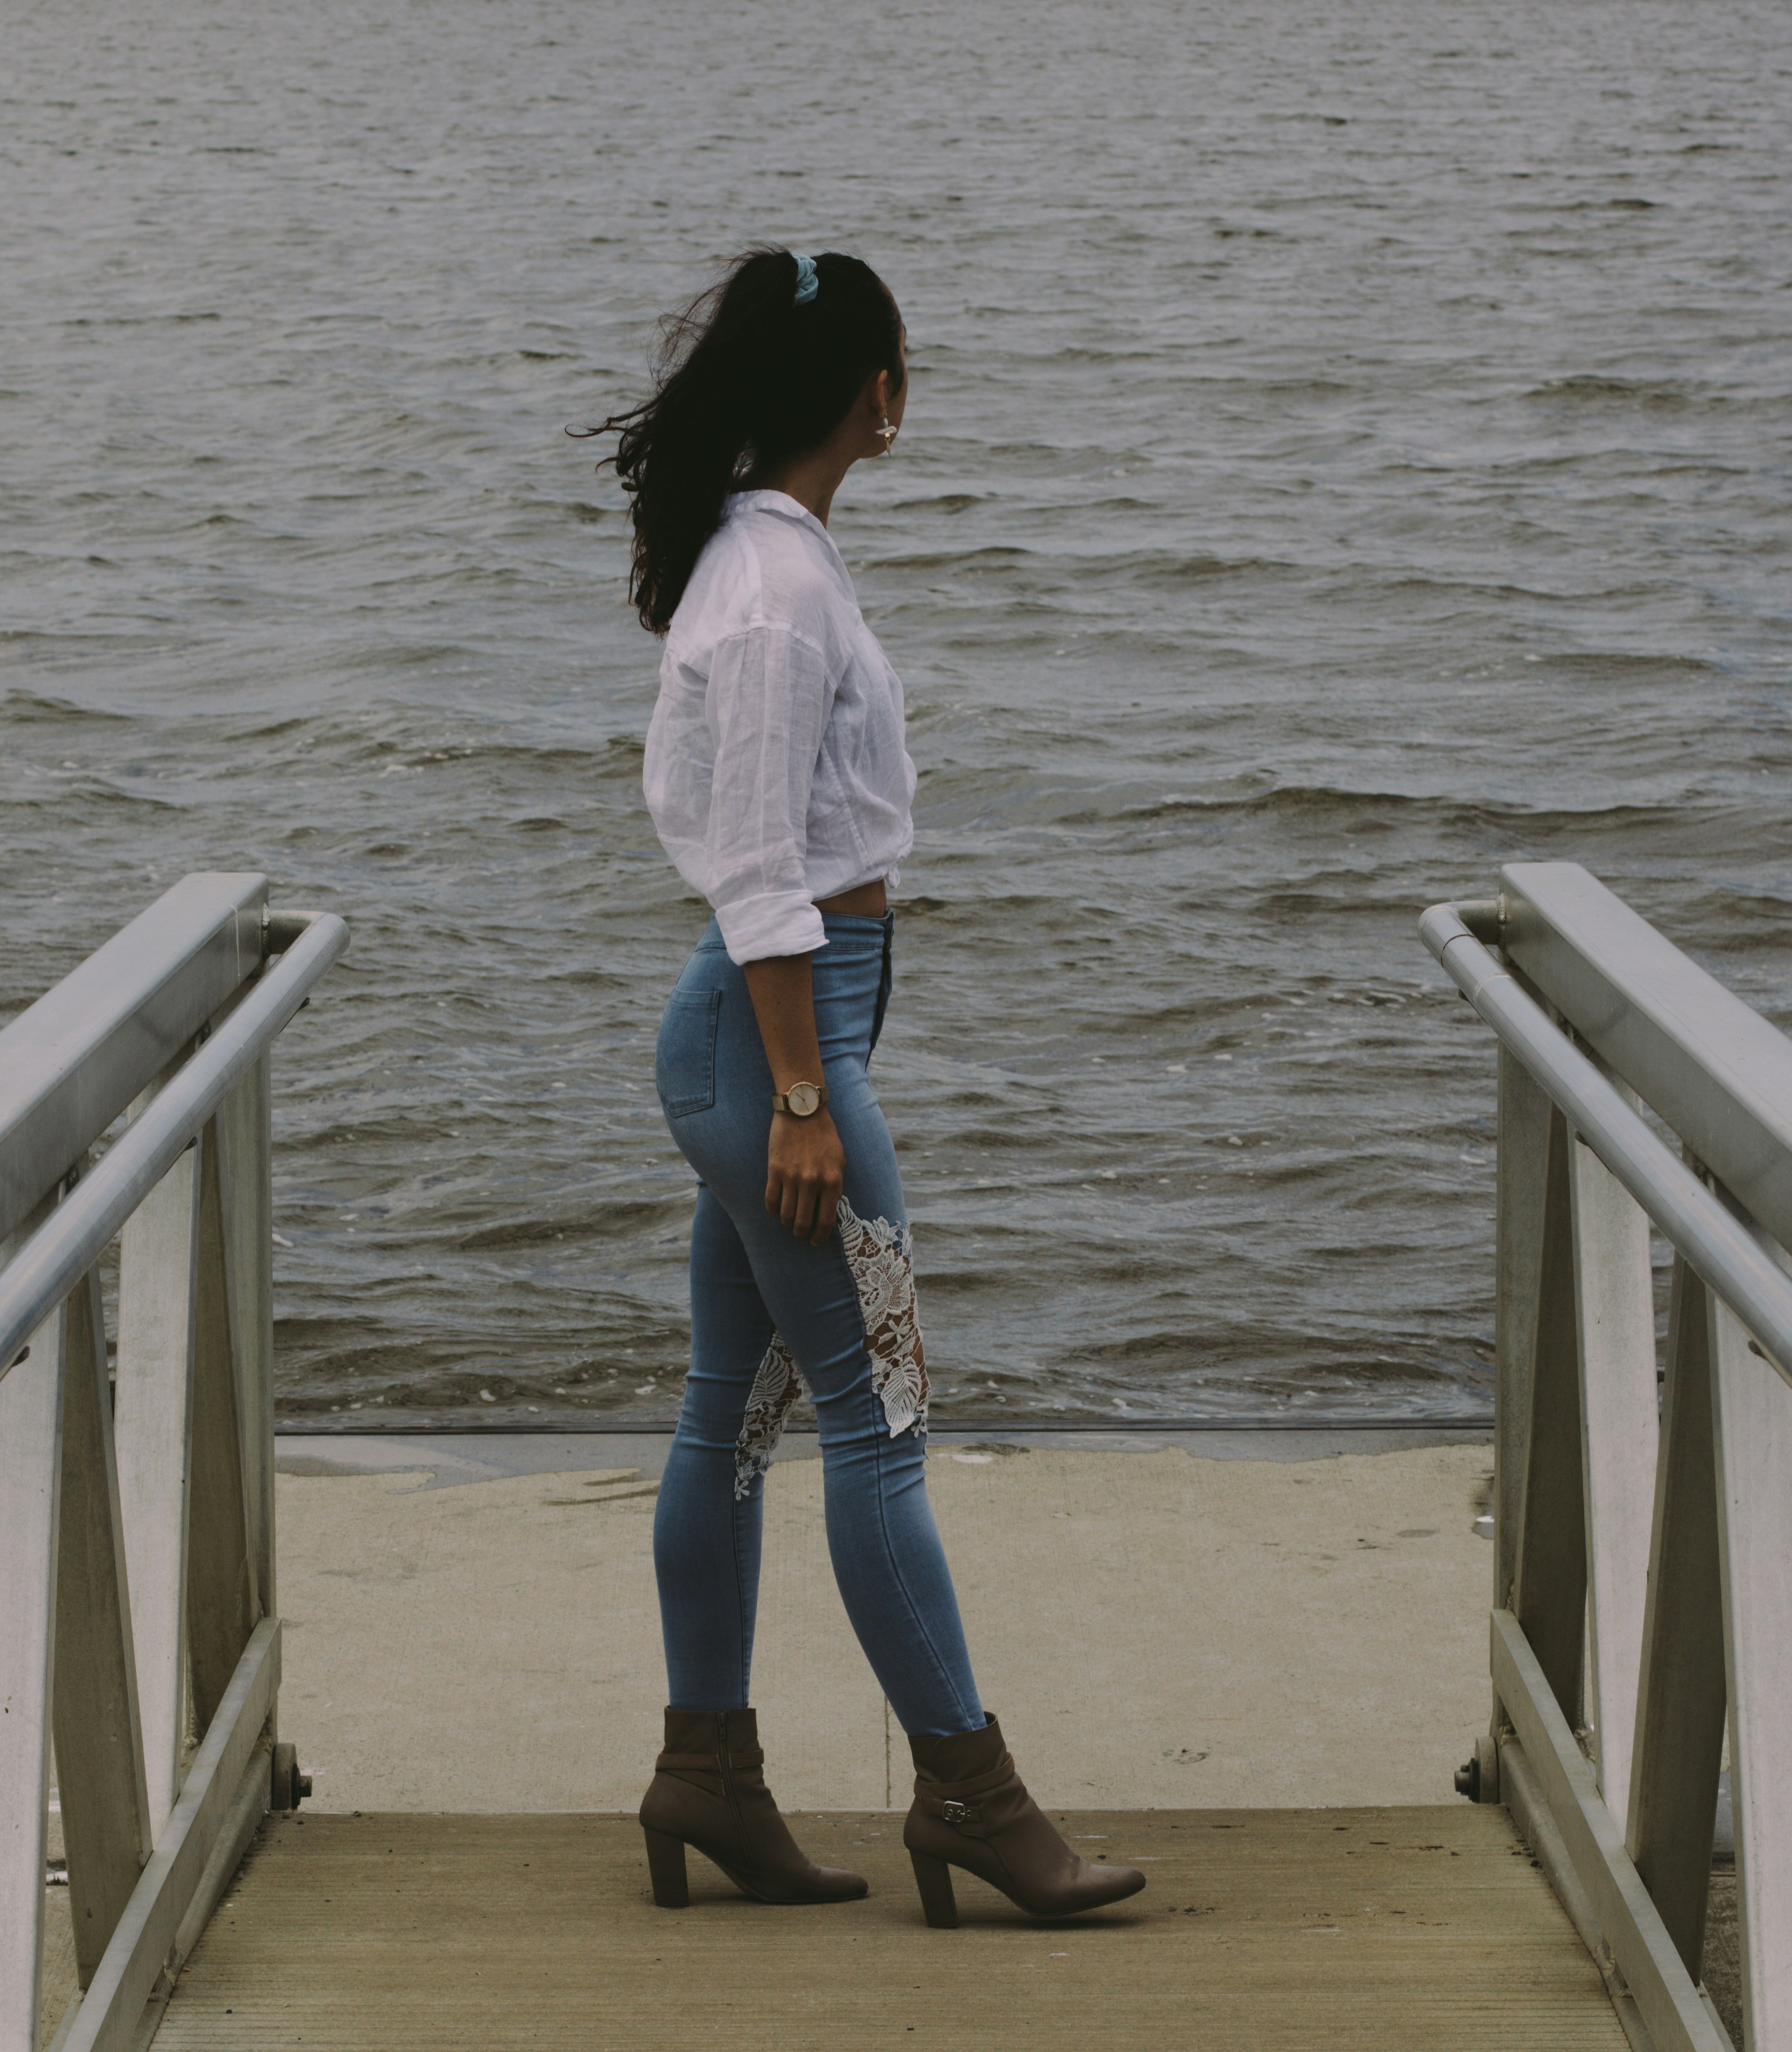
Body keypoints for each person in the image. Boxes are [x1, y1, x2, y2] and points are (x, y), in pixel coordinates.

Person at [585, 247, 1143, 1930]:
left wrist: (796, 1069)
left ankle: (708, 1769)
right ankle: (974, 1798)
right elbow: (759, 871)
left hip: (769, 1040)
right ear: (872, 396)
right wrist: (808, 1099)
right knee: (884, 1415)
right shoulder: (775, 595)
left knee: (732, 1410)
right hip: (780, 1046)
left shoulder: (774, 559)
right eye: (910, 365)